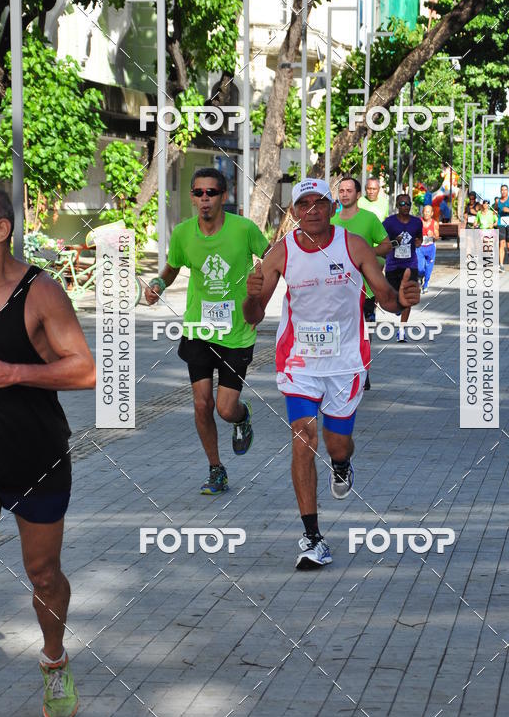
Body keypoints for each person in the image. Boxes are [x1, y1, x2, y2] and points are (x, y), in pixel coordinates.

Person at [243, 178, 420, 569]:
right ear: (293, 213)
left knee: (336, 444)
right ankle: (312, 538)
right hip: (299, 362)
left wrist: (400, 301)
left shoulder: (352, 245)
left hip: (345, 363)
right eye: (303, 203)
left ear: (331, 207)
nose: (312, 209)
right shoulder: (281, 253)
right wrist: (252, 296)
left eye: (319, 202)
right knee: (303, 439)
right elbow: (254, 317)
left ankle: (341, 463)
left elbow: (384, 295)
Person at [0, 189, 96, 717]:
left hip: (34, 453)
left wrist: (14, 374)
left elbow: (86, 370)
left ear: (0, 230)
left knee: (42, 573)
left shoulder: (40, 292)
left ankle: (54, 661)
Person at [145, 167, 268, 494]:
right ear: (192, 197)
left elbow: (272, 260)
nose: (204, 199)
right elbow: (170, 271)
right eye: (198, 193)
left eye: (211, 193)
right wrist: (158, 283)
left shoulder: (244, 230)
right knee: (202, 404)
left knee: (226, 408)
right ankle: (216, 469)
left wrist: (260, 289)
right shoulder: (184, 234)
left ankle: (242, 418)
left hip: (237, 331)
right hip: (198, 328)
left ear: (223, 197)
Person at [331, 176, 391, 389]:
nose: (345, 194)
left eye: (349, 190)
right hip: (336, 289)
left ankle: (363, 370)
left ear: (358, 195)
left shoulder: (369, 219)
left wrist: (366, 253)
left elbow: (386, 245)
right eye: (342, 190)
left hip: (365, 289)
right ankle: (343, 371)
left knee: (364, 332)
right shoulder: (331, 221)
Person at [383, 194, 422, 337]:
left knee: (408, 298)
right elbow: (384, 244)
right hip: (393, 265)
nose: (405, 206)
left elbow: (419, 239)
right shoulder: (389, 223)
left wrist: (417, 243)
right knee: (394, 296)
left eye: (407, 204)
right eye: (402, 204)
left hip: (410, 264)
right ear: (397, 206)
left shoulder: (417, 222)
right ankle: (398, 307)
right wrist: (395, 242)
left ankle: (402, 329)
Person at [417, 205, 440, 293]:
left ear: (432, 213)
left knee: (428, 268)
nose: (426, 213)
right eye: (425, 211)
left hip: (430, 248)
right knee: (420, 268)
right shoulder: (418, 221)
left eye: (428, 212)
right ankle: (419, 278)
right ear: (422, 212)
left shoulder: (434, 223)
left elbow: (437, 237)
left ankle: (426, 284)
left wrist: (433, 235)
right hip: (420, 247)